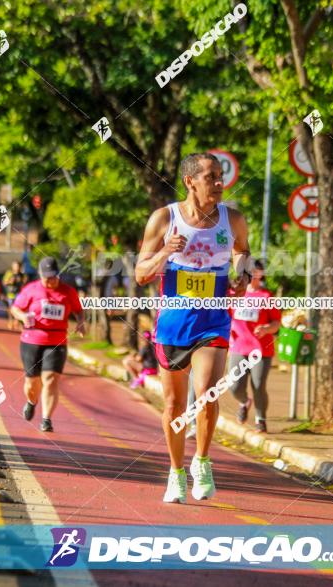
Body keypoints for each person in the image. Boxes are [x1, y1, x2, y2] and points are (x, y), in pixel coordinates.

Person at [136, 153, 250, 504]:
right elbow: (141, 274)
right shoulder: (164, 219)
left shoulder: (233, 219)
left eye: (220, 177)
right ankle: (175, 472)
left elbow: (242, 252)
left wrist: (242, 273)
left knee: (207, 393)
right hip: (173, 323)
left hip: (213, 318)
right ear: (190, 181)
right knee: (172, 405)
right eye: (212, 177)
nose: (220, 183)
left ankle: (202, 461)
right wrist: (165, 254)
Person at [10, 257, 86, 432]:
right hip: (31, 341)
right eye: (46, 277)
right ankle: (31, 401)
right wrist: (22, 317)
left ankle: (46, 419)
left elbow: (78, 310)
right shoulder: (31, 289)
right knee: (31, 383)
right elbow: (15, 308)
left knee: (51, 380)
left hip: (57, 341)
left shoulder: (68, 291)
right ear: (40, 275)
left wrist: (81, 322)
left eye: (53, 277)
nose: (50, 281)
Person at [227, 260, 281, 433]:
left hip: (261, 349)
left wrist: (266, 328)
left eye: (256, 271)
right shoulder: (234, 294)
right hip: (238, 347)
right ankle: (244, 402)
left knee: (258, 385)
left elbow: (276, 323)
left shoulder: (266, 297)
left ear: (260, 274)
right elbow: (225, 317)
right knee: (234, 386)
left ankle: (260, 419)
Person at [3, 261, 29, 330]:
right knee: (10, 309)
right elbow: (4, 282)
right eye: (15, 266)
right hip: (10, 294)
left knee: (19, 309)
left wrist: (23, 281)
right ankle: (11, 321)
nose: (17, 268)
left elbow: (25, 284)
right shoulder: (9, 273)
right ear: (12, 266)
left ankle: (17, 321)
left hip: (19, 295)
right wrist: (10, 281)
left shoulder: (23, 275)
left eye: (18, 266)